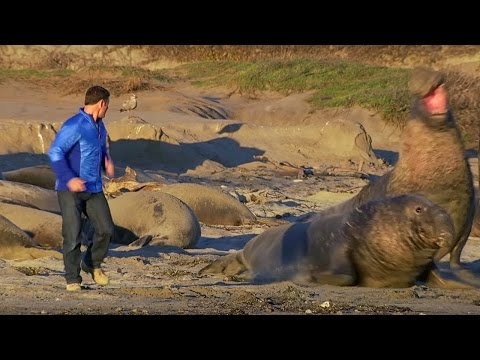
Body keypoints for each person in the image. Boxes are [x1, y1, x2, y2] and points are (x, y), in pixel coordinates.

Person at [48, 85, 115, 292]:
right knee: (73, 234)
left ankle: (91, 263)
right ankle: (72, 280)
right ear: (101, 104)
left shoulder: (100, 127)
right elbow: (55, 152)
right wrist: (69, 178)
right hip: (70, 189)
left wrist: (107, 161)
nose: (107, 110)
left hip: (93, 187)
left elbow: (101, 149)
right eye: (107, 106)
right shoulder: (74, 125)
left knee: (106, 229)